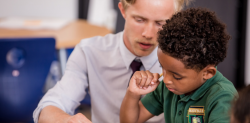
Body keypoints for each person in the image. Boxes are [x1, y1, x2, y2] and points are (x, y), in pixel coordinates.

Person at [33, 0, 190, 123]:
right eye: (139, 20)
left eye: (160, 23)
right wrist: (66, 120)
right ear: (123, 10)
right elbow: (49, 105)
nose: (148, 34)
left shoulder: (187, 60)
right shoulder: (89, 52)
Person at [120, 8, 238, 123]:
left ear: (207, 73)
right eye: (163, 68)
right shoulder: (168, 88)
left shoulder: (223, 97)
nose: (166, 80)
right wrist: (133, 93)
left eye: (177, 77)